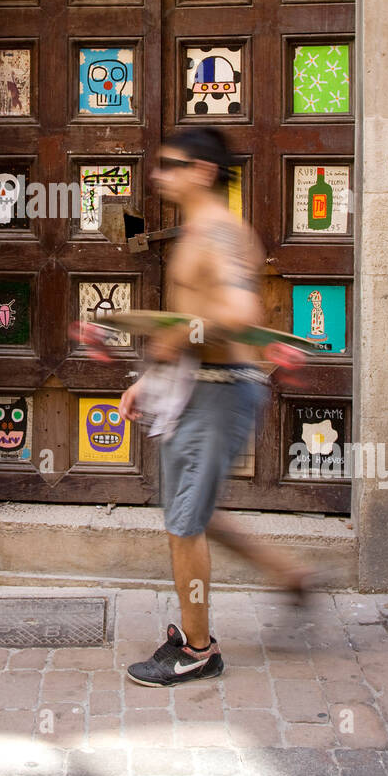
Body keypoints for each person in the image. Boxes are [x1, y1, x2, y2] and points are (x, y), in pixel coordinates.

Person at [119, 127, 314, 687]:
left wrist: (172, 340)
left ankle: (198, 650)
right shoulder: (198, 230)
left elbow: (237, 309)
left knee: (185, 520)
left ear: (203, 171)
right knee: (189, 510)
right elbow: (196, 318)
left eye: (171, 165)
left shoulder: (222, 233)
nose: (158, 175)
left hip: (222, 388)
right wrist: (153, 373)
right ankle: (289, 574)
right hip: (196, 385)